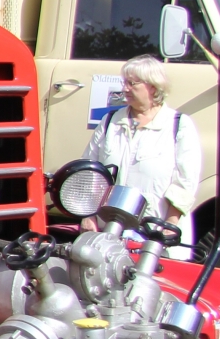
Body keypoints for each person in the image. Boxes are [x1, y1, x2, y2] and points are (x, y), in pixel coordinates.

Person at [82, 54, 202, 237]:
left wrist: (171, 222)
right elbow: (90, 171)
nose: (125, 89)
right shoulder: (110, 122)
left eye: (132, 84)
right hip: (108, 231)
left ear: (153, 87)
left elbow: (186, 180)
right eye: (125, 83)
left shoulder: (179, 125)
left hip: (155, 231)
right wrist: (88, 214)